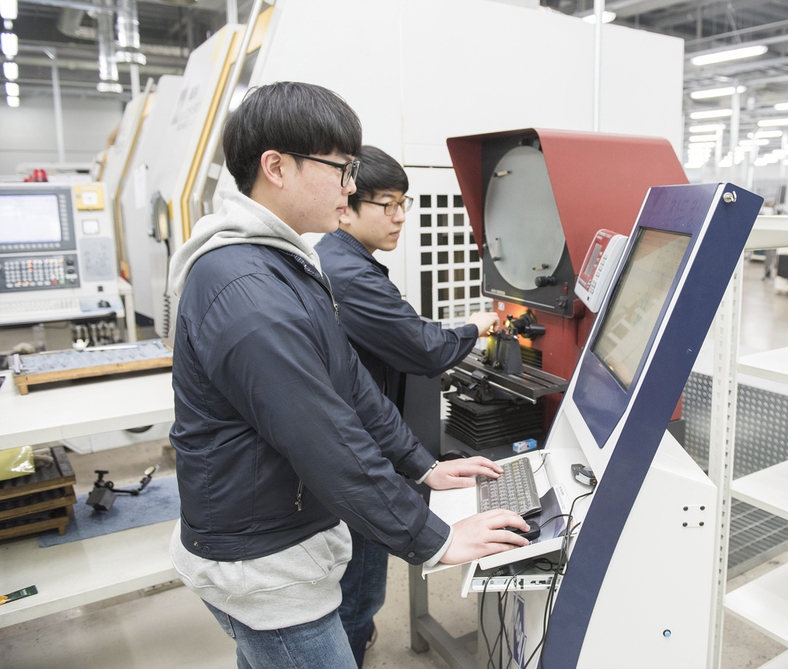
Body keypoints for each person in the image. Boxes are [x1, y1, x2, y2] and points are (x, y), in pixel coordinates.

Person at [166, 82, 529, 669]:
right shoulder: (246, 291)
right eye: (341, 168)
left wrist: (423, 466)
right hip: (264, 563)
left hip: (284, 530)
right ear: (276, 167)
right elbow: (325, 434)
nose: (349, 185)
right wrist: (433, 539)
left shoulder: (288, 264)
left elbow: (352, 386)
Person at [315, 145, 500, 666]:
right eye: (387, 204)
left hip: (366, 446)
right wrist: (476, 326)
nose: (400, 218)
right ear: (348, 204)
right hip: (361, 458)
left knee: (354, 587)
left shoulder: (343, 261)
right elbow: (423, 349)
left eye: (405, 204)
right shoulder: (350, 275)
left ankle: (355, 637)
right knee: (359, 591)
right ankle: (351, 644)